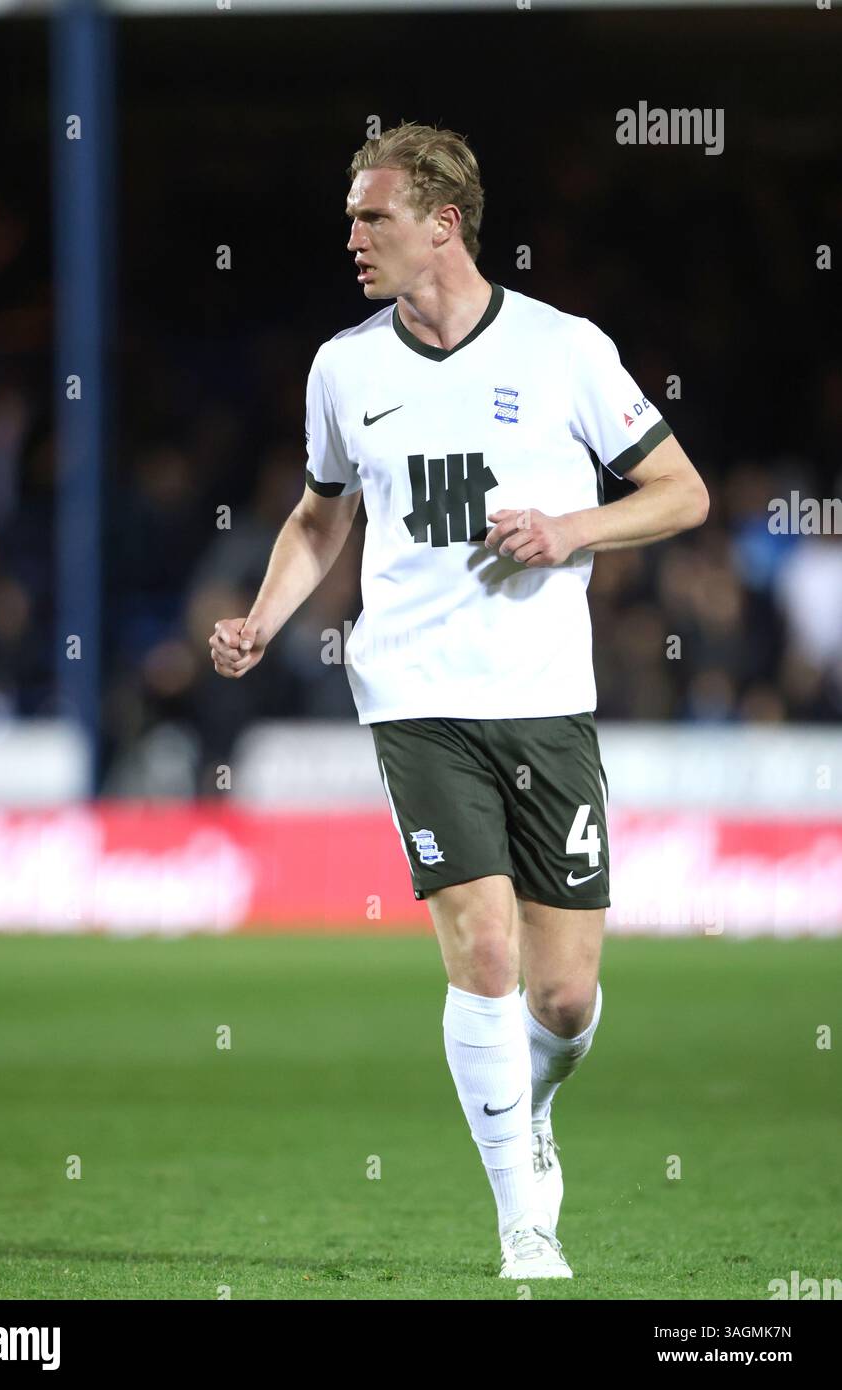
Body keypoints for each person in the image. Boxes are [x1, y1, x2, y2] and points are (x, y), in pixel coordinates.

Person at [209, 122, 709, 1279]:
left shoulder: (565, 349)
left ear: (443, 223)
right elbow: (321, 512)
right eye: (350, 217)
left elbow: (678, 493)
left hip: (544, 696)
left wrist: (570, 528)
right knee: (483, 950)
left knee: (567, 995)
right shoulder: (346, 368)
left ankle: (524, 1101)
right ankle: (521, 1220)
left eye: (371, 216)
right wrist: (262, 617)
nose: (352, 237)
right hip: (415, 695)